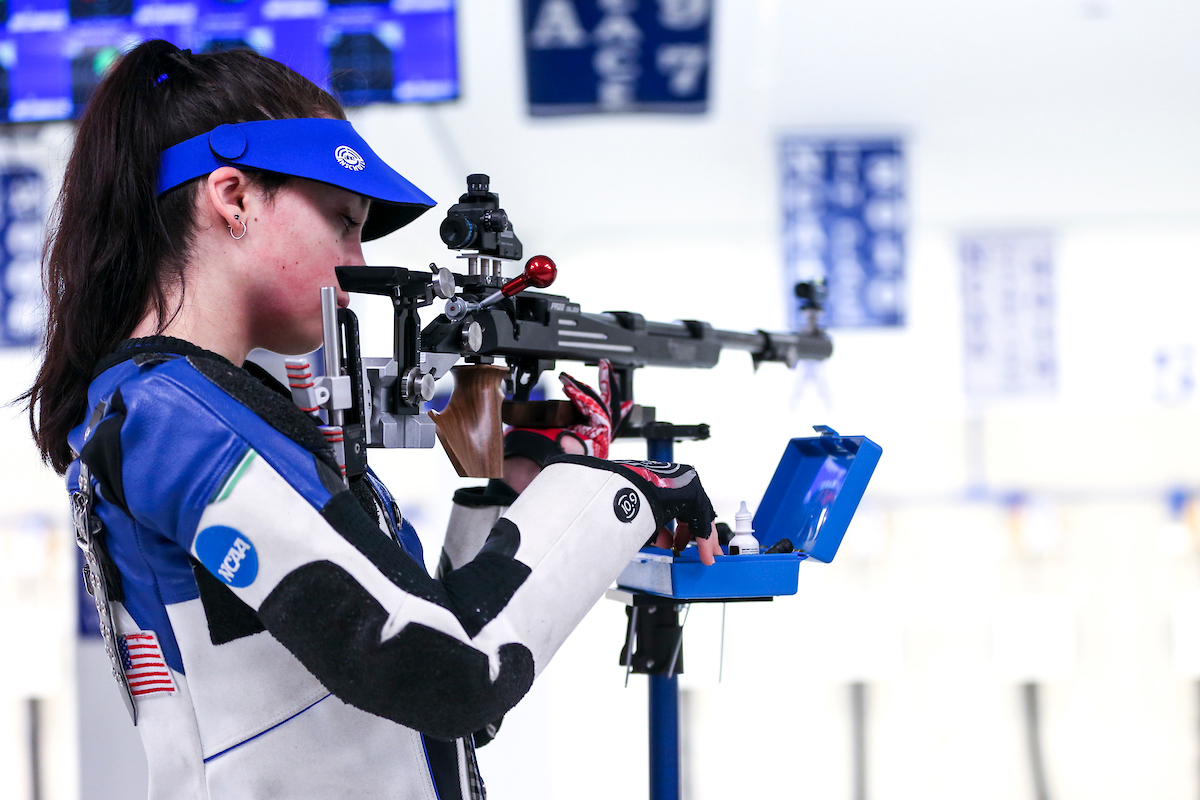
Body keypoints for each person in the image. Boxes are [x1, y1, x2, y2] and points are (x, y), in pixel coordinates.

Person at [23, 40, 720, 799]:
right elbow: (456, 676)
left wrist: (507, 489)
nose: (355, 266)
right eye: (345, 222)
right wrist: (628, 492)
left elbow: (435, 691)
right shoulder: (176, 418)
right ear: (234, 198)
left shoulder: (204, 410)